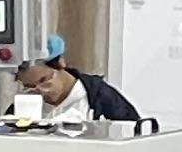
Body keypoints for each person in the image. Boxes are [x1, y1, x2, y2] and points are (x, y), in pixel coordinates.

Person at [9, 35, 142, 126]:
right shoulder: (24, 103)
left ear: (61, 64)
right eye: (30, 86)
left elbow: (132, 133)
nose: (41, 91)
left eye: (44, 80)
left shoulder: (99, 96)